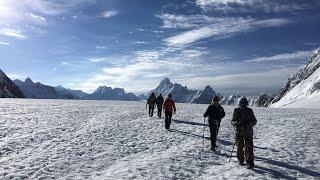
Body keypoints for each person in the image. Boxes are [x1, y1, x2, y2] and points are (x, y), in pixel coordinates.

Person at [232, 97, 257, 169]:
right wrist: (237, 123)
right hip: (239, 131)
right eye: (242, 103)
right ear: (240, 103)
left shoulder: (249, 111)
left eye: (244, 103)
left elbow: (254, 121)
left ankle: (249, 162)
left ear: (246, 104)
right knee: (239, 146)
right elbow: (232, 121)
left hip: (248, 132)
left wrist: (248, 124)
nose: (243, 105)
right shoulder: (236, 110)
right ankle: (240, 160)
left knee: (249, 147)